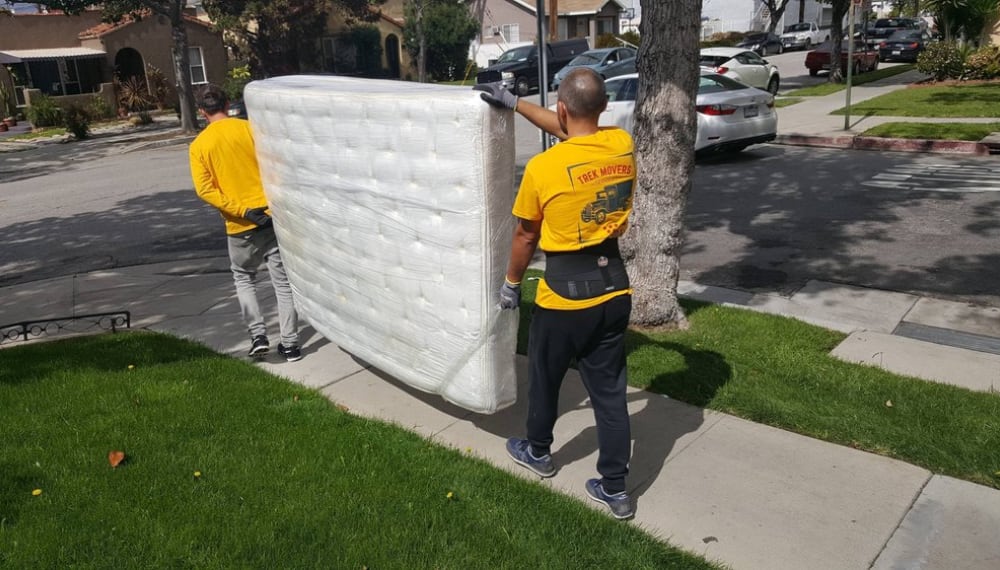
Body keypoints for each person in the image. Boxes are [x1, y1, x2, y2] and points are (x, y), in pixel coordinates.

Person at [475, 69, 636, 520]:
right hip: (613, 288)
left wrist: (510, 284)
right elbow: (573, 129)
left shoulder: (544, 169)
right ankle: (616, 489)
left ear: (562, 108)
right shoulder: (620, 145)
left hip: (565, 295)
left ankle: (539, 451)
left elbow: (526, 236)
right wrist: (514, 103)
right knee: (609, 394)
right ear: (602, 109)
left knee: (546, 378)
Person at [189, 84, 302, 362]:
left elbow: (205, 190)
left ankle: (258, 336)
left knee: (243, 277)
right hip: (270, 217)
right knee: (283, 283)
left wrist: (241, 210)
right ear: (228, 104)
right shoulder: (251, 130)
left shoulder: (199, 146)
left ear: (202, 111)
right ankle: (290, 344)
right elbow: (276, 166)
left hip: (239, 225)